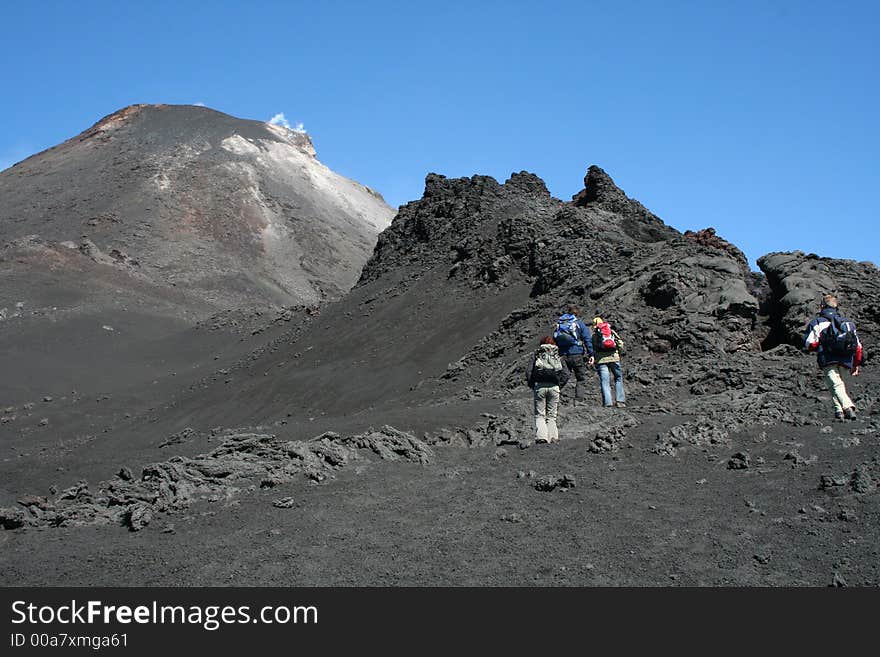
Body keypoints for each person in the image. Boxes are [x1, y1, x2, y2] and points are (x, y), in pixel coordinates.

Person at [804, 294, 863, 420]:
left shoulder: (817, 322)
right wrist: (855, 364)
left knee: (836, 384)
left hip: (828, 358)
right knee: (836, 384)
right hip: (846, 358)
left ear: (821, 307)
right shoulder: (848, 323)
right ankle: (839, 411)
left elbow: (810, 343)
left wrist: (820, 346)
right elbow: (858, 347)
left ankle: (848, 407)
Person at [525, 336, 570, 444]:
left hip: (540, 387)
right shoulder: (557, 355)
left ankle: (542, 437)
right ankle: (553, 437)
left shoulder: (537, 355)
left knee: (540, 415)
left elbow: (528, 372)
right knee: (551, 416)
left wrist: (532, 385)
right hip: (554, 387)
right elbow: (566, 373)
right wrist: (559, 385)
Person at [552, 305, 595, 402]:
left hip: (563, 354)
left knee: (564, 376)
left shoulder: (560, 324)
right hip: (576, 354)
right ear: (577, 313)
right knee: (581, 378)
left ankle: (552, 395)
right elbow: (587, 339)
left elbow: (554, 338)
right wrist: (591, 354)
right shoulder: (578, 324)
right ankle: (578, 401)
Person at [591, 316, 626, 408]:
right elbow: (620, 343)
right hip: (614, 358)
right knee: (618, 378)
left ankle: (608, 403)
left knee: (605, 382)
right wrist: (619, 353)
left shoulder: (594, 336)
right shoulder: (610, 332)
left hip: (601, 361)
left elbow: (593, 348)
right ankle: (620, 401)